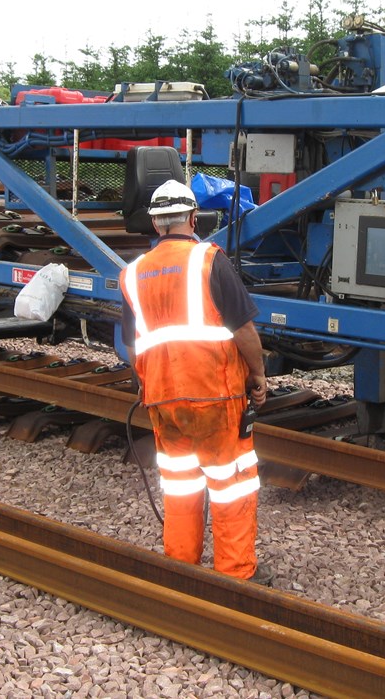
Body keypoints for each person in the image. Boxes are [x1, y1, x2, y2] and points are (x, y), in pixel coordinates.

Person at [120, 179, 272, 583]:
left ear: (155, 224)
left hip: (162, 400)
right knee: (231, 483)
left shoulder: (133, 274)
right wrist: (257, 375)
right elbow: (243, 330)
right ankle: (234, 576)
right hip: (215, 396)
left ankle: (181, 569)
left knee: (181, 483)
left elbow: (133, 343)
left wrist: (147, 382)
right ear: (192, 218)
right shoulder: (209, 259)